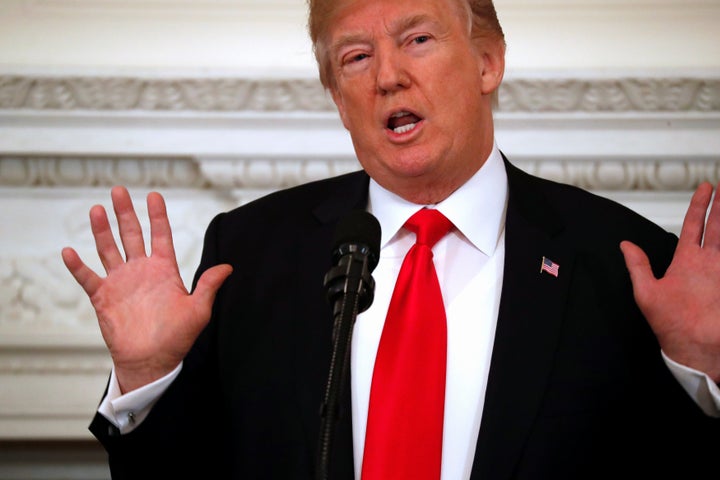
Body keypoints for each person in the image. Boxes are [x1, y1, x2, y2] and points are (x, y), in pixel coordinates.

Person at [61, 0, 719, 478]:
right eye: (355, 57)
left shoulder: (624, 261)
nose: (387, 76)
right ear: (336, 95)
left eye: (418, 40)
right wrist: (148, 378)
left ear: (488, 62)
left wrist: (702, 375)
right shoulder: (252, 253)